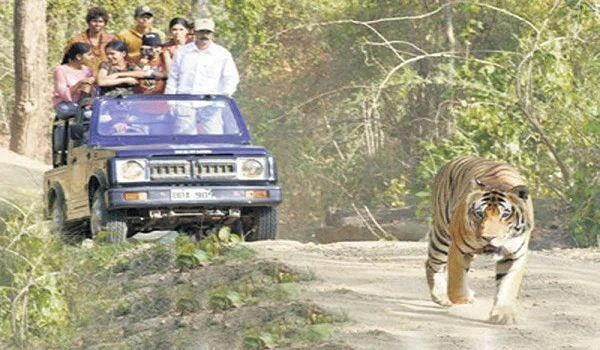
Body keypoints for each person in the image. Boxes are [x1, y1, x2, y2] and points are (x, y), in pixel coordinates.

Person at [165, 18, 240, 134]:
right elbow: (173, 78)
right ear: (194, 32)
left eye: (207, 32)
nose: (204, 35)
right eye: (201, 32)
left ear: (213, 33)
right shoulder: (182, 53)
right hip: (184, 103)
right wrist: (170, 101)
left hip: (211, 104)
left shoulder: (222, 54)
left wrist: (223, 97)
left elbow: (231, 78)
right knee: (184, 142)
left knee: (213, 140)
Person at [65, 7, 116, 73]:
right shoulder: (77, 40)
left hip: (106, 77)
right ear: (88, 22)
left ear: (105, 23)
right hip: (83, 77)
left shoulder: (111, 39)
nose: (97, 24)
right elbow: (68, 60)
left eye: (100, 22)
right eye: (94, 21)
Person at [53, 43, 95, 109]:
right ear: (78, 56)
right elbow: (63, 94)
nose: (92, 57)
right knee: (89, 115)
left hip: (84, 104)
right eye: (89, 55)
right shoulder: (61, 70)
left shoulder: (87, 69)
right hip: (65, 105)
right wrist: (79, 83)